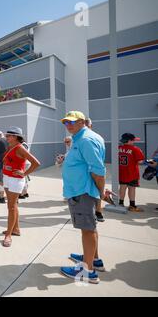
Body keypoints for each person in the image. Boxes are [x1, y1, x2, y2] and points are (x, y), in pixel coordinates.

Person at [60, 111, 111, 284]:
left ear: (82, 122)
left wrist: (101, 193)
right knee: (90, 227)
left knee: (87, 231)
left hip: (82, 192)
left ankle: (88, 271)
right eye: (66, 123)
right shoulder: (83, 137)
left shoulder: (85, 140)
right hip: (83, 190)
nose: (68, 126)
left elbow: (98, 170)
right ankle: (93, 260)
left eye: (72, 122)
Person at [2, 127, 40, 247]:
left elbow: (36, 163)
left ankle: (8, 235)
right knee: (12, 205)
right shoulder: (10, 146)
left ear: (15, 137)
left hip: (15, 180)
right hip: (7, 178)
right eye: (6, 135)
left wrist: (24, 173)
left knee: (11, 207)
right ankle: (15, 229)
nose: (6, 137)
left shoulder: (20, 147)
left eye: (8, 135)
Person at [118, 133, 145, 212]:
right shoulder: (135, 149)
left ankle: (121, 203)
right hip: (132, 173)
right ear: (129, 141)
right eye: (133, 140)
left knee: (122, 187)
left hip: (122, 172)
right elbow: (140, 161)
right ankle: (132, 205)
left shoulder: (118, 148)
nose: (134, 142)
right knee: (132, 188)